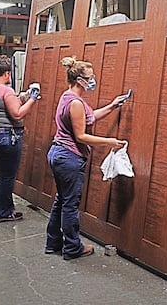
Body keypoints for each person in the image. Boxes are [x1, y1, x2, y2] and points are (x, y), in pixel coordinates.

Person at [45, 56, 127, 260]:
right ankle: (72, 248)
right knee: (70, 205)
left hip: (59, 153)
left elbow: (88, 117)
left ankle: (53, 242)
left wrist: (112, 106)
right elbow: (81, 135)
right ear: (80, 80)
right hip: (69, 158)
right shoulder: (76, 103)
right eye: (90, 77)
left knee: (61, 200)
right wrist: (110, 142)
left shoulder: (69, 97)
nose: (93, 81)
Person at [0, 55, 40, 222]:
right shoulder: (6, 90)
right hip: (8, 137)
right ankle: (3, 213)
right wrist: (33, 99)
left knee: (3, 172)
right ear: (7, 73)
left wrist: (21, 97)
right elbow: (17, 113)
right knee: (8, 175)